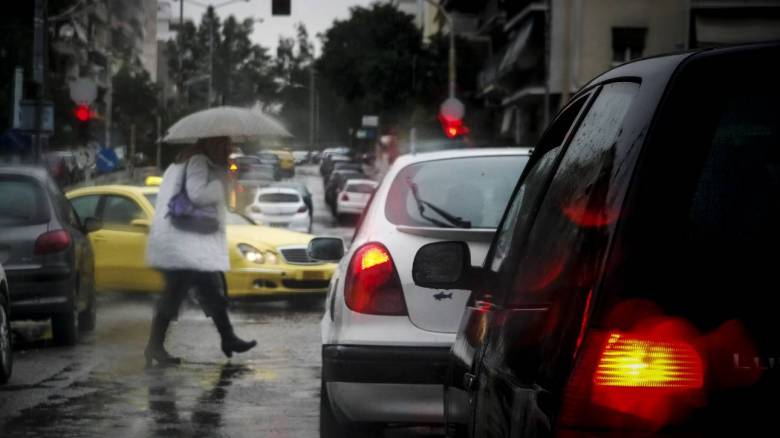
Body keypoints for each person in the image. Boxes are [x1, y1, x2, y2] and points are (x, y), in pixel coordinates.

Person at [144, 136, 256, 367]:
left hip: (183, 242)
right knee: (176, 294)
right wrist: (218, 184)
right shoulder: (198, 161)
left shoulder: (184, 162)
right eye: (224, 145)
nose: (228, 150)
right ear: (212, 144)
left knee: (209, 289)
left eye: (229, 146)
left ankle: (228, 338)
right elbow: (197, 195)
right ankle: (154, 346)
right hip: (184, 246)